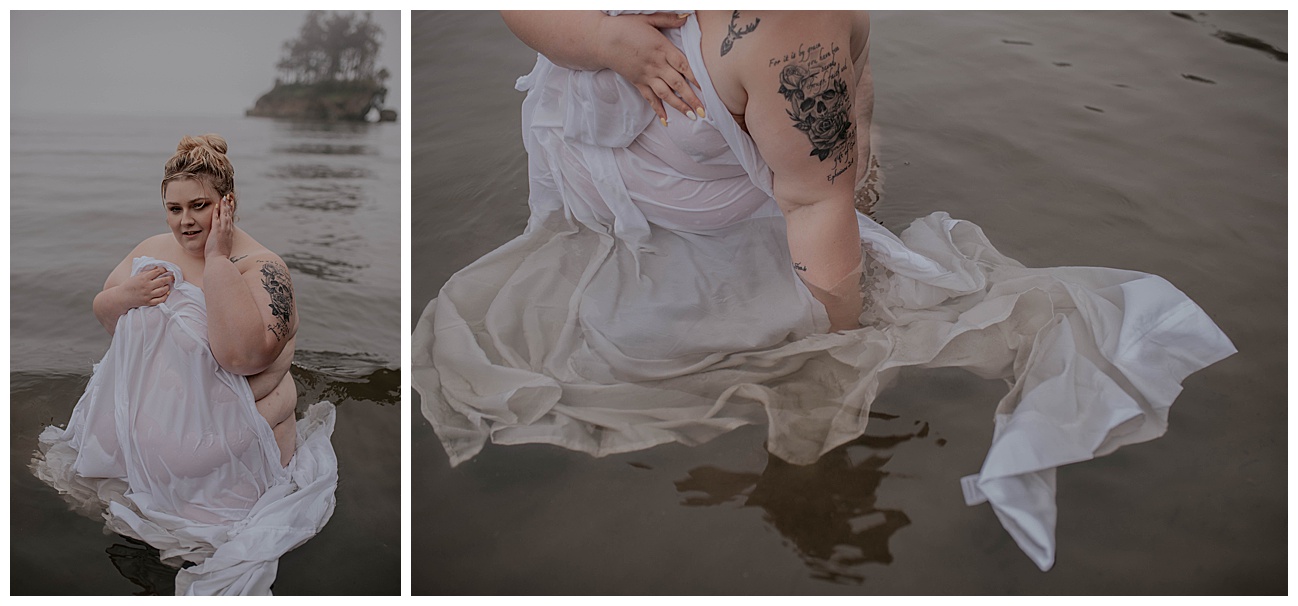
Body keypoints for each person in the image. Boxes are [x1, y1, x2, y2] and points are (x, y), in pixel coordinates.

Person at [413, 11, 1235, 571]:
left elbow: (811, 202)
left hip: (736, 229)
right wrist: (604, 42)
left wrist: (833, 345)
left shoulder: (784, 26)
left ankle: (811, 465)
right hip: (624, 205)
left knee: (817, 335)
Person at [33, 134, 338, 595]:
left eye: (199, 205)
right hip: (157, 443)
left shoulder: (262, 269)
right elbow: (104, 312)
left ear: (227, 203)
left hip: (232, 450)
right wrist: (126, 296)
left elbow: (241, 357)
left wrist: (216, 261)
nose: (186, 221)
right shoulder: (154, 248)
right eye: (174, 209)